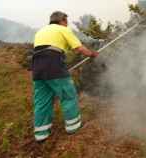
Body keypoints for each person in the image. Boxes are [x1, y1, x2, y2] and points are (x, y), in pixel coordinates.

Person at [32, 11, 99, 142]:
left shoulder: (41, 31)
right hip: (53, 65)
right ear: (62, 20)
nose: (67, 24)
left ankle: (41, 134)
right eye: (66, 21)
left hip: (37, 67)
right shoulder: (62, 29)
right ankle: (73, 127)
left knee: (42, 100)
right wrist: (91, 54)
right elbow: (78, 48)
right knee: (68, 95)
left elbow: (61, 48)